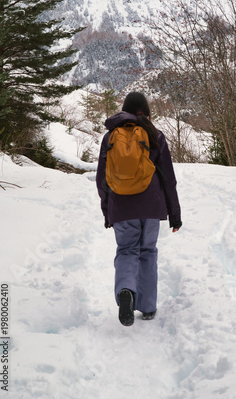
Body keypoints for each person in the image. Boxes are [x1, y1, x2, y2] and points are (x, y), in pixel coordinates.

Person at [96, 91, 182, 326]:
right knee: (148, 252)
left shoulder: (110, 137)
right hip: (152, 206)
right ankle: (147, 306)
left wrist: (107, 211)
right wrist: (174, 214)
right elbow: (169, 180)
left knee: (126, 251)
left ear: (124, 110)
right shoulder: (155, 135)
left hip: (122, 206)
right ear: (147, 111)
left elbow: (102, 179)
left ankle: (126, 290)